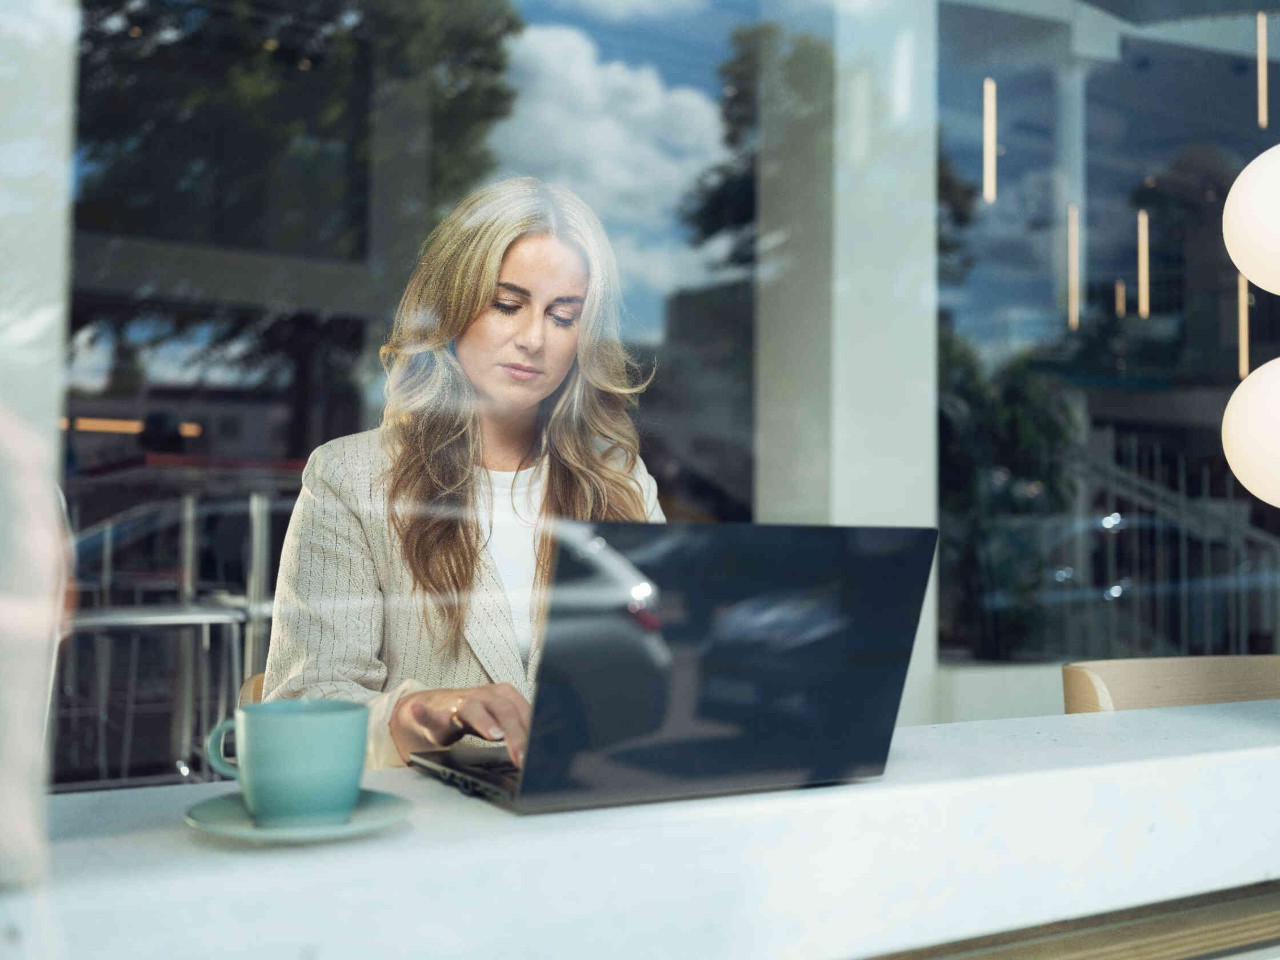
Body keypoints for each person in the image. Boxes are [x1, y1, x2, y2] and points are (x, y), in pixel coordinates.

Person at [263, 178, 665, 770]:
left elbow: (661, 668)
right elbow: (303, 706)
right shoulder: (351, 478)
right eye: (507, 305)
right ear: (452, 305)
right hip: (435, 835)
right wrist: (429, 712)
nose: (533, 339)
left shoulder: (621, 479)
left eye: (563, 316)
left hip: (596, 812)